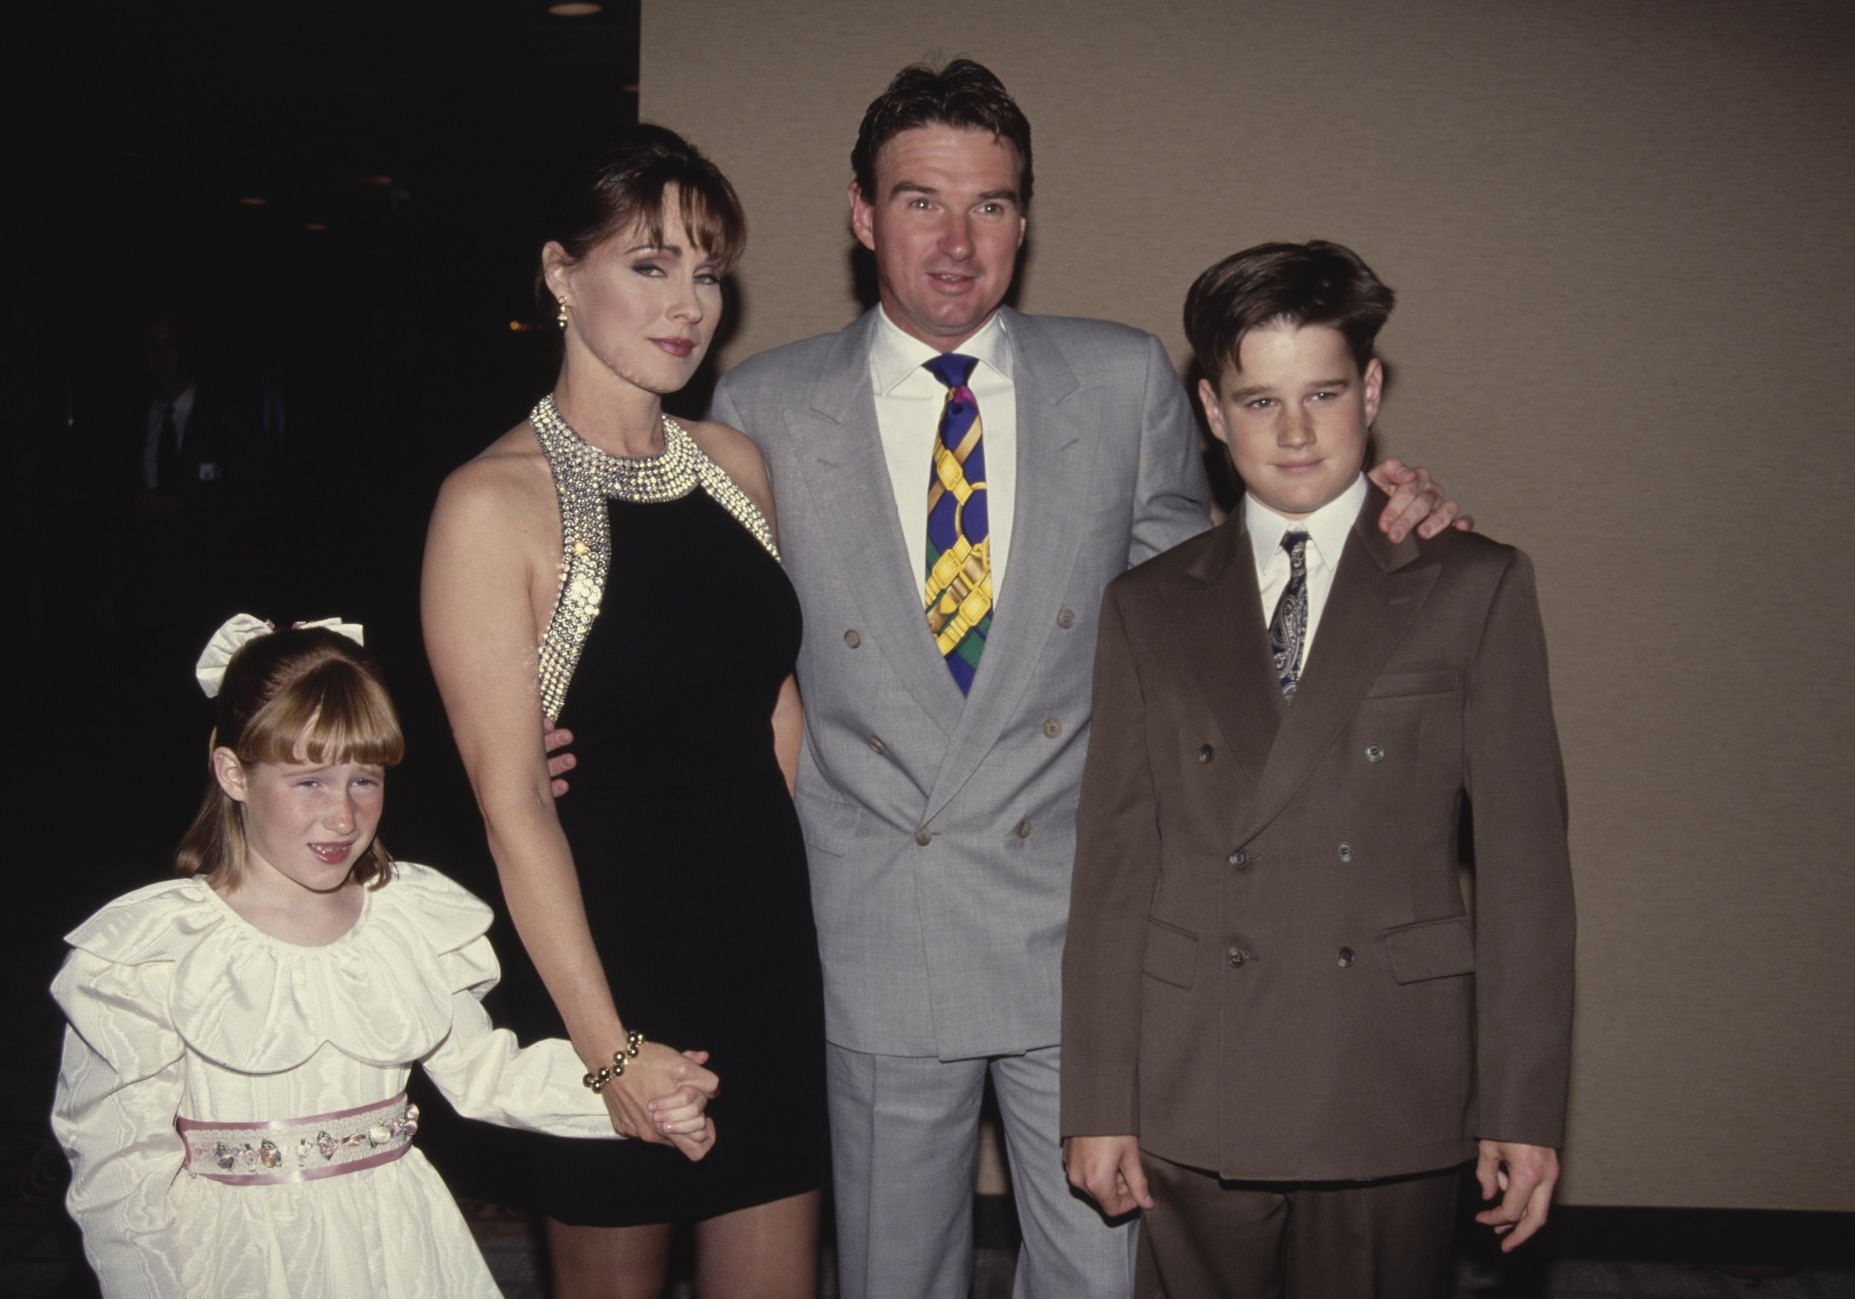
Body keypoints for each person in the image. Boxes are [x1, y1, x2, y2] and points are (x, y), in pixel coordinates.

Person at [707, 61, 1464, 1299]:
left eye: (993, 206)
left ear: (1027, 218)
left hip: (1086, 922)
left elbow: (1215, 610)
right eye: (921, 202)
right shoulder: (765, 404)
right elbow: (719, 653)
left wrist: (1370, 546)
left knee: (1101, 1278)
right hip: (877, 919)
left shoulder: (1117, 383)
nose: (958, 243)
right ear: (860, 214)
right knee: (895, 1275)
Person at [1060, 240, 1575, 1298]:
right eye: (1258, 401)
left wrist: (1523, 1106)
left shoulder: (1473, 585)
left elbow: (1526, 871)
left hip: (1385, 1071)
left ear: (1372, 389)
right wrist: (1098, 1097)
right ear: (1210, 411)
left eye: (1324, 393)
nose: (1294, 432)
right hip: (1200, 1069)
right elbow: (1115, 867)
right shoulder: (1148, 606)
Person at [421, 125, 825, 1299]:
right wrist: (606, 1054)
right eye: (650, 265)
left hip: (764, 954)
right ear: (561, 274)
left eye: (706, 271)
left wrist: (774, 907)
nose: (687, 303)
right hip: (603, 961)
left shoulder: (737, 464)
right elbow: (510, 807)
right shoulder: (488, 505)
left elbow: (776, 712)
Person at [50, 615, 714, 1298]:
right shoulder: (154, 950)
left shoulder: (403, 918)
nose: (343, 815)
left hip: (397, 1248)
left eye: (364, 779)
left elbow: (487, 1072)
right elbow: (122, 1166)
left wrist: (632, 1088)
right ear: (233, 772)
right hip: (236, 1260)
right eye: (309, 781)